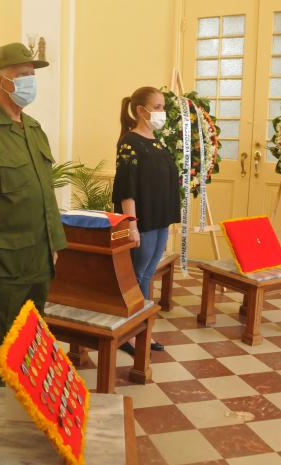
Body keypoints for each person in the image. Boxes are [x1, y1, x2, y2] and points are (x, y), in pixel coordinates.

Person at [0, 42, 66, 389]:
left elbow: (44, 194)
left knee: (32, 348)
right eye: (22, 76)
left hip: (37, 262)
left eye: (32, 75)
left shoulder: (32, 128)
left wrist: (54, 243)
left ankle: (21, 418)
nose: (29, 82)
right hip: (2, 268)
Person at [112, 86, 181, 355]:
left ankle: (143, 327)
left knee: (148, 273)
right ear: (141, 111)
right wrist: (131, 224)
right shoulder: (130, 142)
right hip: (143, 221)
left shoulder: (157, 140)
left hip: (160, 217)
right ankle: (132, 333)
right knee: (138, 274)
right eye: (158, 107)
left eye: (163, 107)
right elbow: (126, 187)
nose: (163, 112)